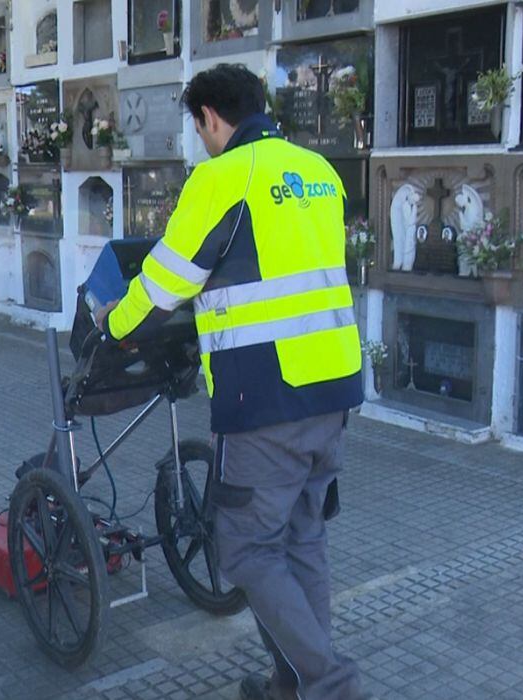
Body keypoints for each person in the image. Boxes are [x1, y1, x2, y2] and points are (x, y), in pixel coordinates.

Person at [96, 64, 367, 700]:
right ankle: (292, 686)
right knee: (301, 541)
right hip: (332, 391)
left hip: (266, 399)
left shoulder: (223, 177)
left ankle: (331, 687)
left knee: (245, 550)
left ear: (209, 119)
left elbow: (166, 281)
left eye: (200, 129)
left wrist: (115, 326)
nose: (201, 140)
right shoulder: (318, 173)